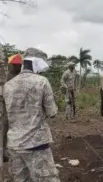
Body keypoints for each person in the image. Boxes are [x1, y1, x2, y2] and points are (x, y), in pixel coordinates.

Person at [3, 48, 60, 182]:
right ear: (37, 62)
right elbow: (52, 112)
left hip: (14, 145)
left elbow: (6, 117)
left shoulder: (7, 85)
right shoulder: (42, 81)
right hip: (37, 144)